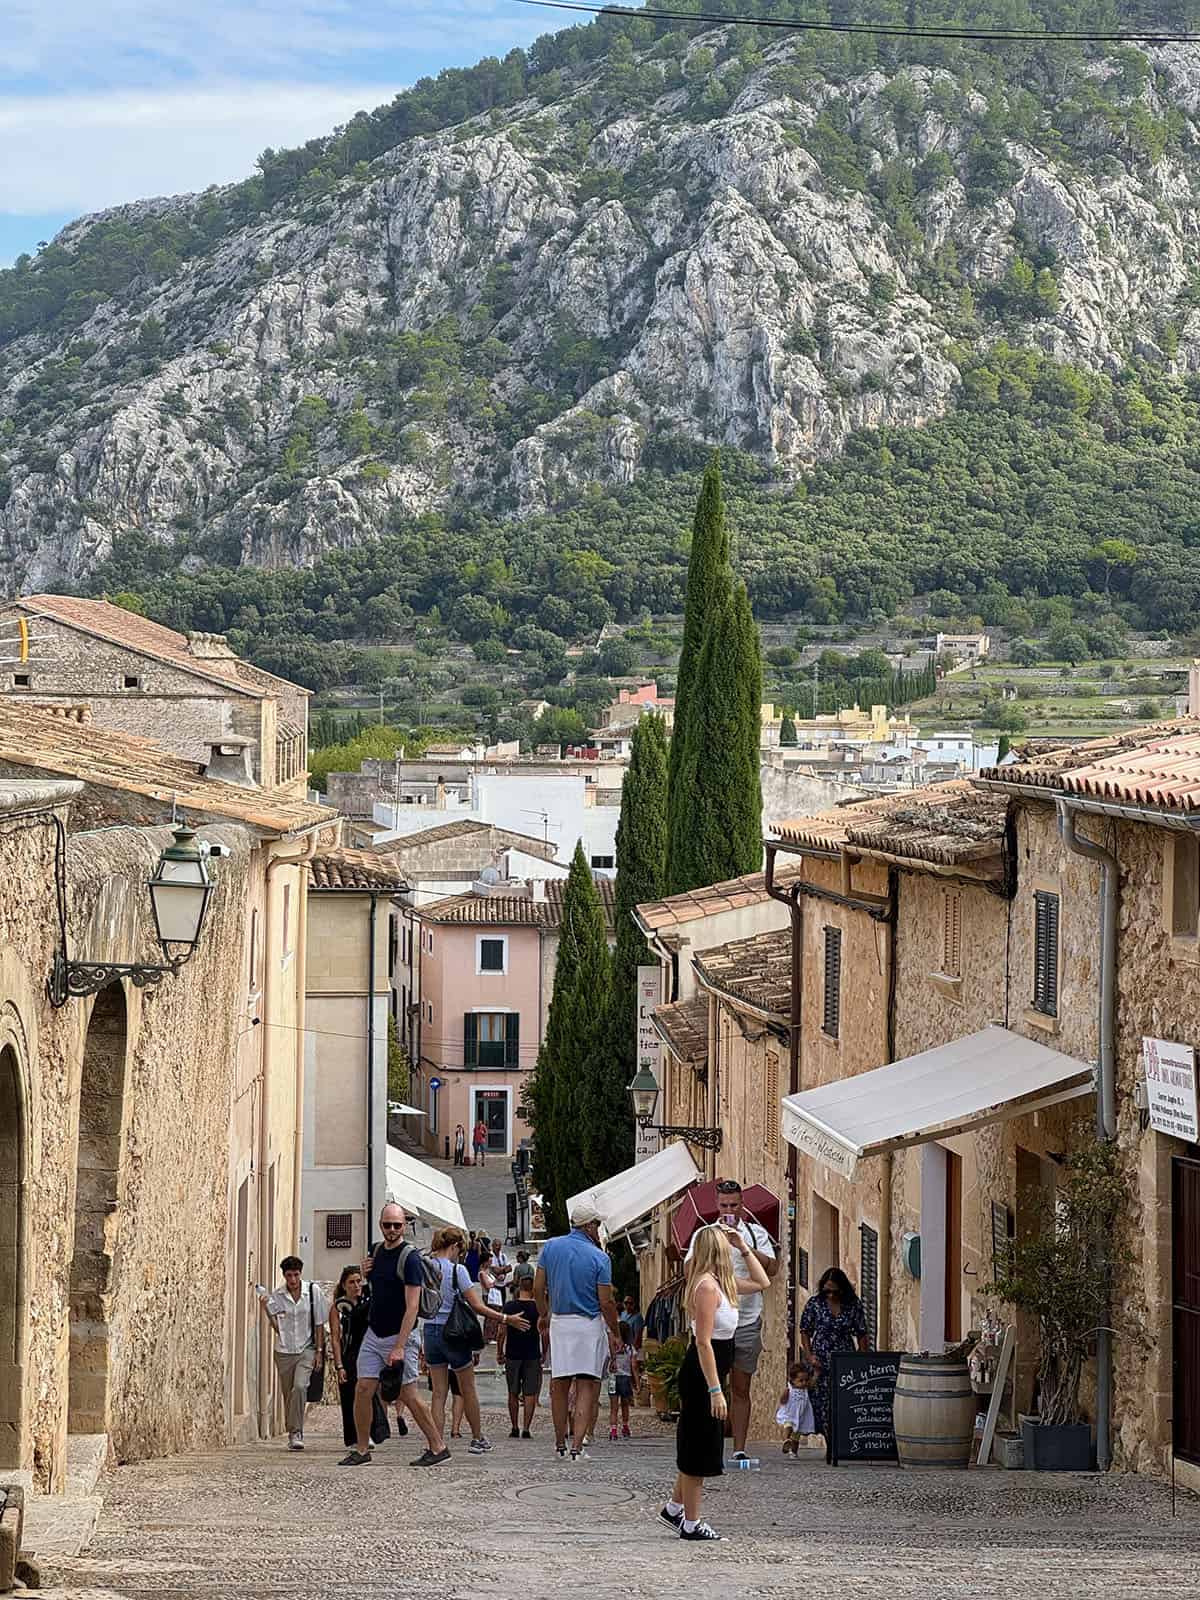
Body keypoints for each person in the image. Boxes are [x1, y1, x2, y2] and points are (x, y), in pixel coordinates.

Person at [660, 1223, 769, 1543]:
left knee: (700, 1445)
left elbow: (762, 1281)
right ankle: (691, 1523)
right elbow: (704, 1343)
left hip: (713, 1370)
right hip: (702, 1375)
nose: (731, 1248)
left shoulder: (724, 1284)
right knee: (699, 1449)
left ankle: (673, 1509)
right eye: (727, 1245)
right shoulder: (706, 1287)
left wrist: (745, 1247)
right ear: (716, 1251)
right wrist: (715, 1390)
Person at [338, 1203, 446, 1468]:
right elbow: (375, 1291)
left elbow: (412, 1307)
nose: (392, 1230)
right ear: (380, 1224)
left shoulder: (409, 1258)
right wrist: (364, 1274)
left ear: (404, 1225)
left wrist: (399, 1346)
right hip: (375, 1333)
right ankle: (362, 1449)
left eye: (397, 1225)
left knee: (408, 1394)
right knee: (362, 1389)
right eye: (387, 1225)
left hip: (401, 1335)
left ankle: (438, 1446)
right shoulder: (375, 1251)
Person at [687, 1178, 778, 1464]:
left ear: (742, 1205)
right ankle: (706, 1443)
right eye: (724, 1205)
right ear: (716, 1205)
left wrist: (742, 1246)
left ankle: (739, 1448)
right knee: (709, 1386)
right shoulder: (705, 1233)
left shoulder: (755, 1233)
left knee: (740, 1388)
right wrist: (712, 1249)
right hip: (714, 1322)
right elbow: (690, 1269)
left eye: (734, 1205)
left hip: (747, 1320)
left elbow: (772, 1270)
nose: (729, 1210)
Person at [424, 1225, 528, 1455]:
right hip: (454, 1333)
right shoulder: (457, 1271)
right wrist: (505, 1318)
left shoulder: (426, 1267)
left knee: (439, 1392)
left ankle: (436, 1443)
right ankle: (477, 1438)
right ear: (455, 1246)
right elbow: (477, 1306)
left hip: (430, 1331)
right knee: (467, 1388)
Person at [534, 1200, 621, 1462]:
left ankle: (559, 1443)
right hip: (588, 1325)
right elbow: (605, 1301)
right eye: (597, 1225)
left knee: (559, 1385)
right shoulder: (600, 1257)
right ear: (590, 1226)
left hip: (560, 1321)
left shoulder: (551, 1247)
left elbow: (539, 1289)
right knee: (586, 1386)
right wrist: (615, 1331)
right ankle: (576, 1447)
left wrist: (544, 1315)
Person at [258, 1255, 327, 1451]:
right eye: (289, 1276)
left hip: (306, 1349)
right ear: (284, 1275)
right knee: (288, 1393)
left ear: (300, 1273)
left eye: (296, 1275)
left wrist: (319, 1352)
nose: (293, 1280)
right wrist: (266, 1310)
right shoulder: (278, 1296)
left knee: (299, 1387)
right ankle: (292, 1431)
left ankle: (296, 1431)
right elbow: (278, 1326)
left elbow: (319, 1324)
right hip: (284, 1351)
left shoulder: (313, 1292)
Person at [799, 1267, 870, 1446]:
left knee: (843, 1399)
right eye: (827, 1291)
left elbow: (862, 1332)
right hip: (820, 1360)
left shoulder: (853, 1304)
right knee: (821, 1401)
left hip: (845, 1358)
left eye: (834, 1291)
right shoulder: (815, 1303)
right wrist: (809, 1355)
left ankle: (840, 1442)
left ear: (842, 1289)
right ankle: (830, 1442)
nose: (830, 1295)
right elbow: (805, 1330)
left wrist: (862, 1359)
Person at [329, 1265, 391, 1450]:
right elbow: (335, 1338)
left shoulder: (369, 1303)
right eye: (351, 1282)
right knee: (350, 1397)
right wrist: (339, 1365)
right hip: (349, 1354)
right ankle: (355, 1437)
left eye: (358, 1281)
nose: (356, 1286)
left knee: (370, 1394)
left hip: (369, 1351)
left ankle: (371, 1432)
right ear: (344, 1285)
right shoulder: (338, 1308)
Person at [497, 1272, 543, 1438]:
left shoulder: (509, 1307)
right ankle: (526, 1428)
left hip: (513, 1353)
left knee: (513, 1392)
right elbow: (543, 1331)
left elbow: (501, 1332)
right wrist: (544, 1351)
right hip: (532, 1354)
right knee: (530, 1393)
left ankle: (514, 1426)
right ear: (532, 1289)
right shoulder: (538, 1308)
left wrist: (499, 1351)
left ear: (519, 1288)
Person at [776, 1357, 818, 1456]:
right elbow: (782, 1401)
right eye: (801, 1380)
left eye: (806, 1380)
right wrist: (784, 1396)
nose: (804, 1383)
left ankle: (793, 1452)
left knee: (796, 1437)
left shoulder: (805, 1389)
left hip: (800, 1417)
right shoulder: (789, 1390)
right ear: (793, 1380)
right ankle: (786, 1440)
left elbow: (813, 1382)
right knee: (788, 1427)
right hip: (789, 1415)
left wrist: (816, 1373)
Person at [607, 1320, 639, 1440]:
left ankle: (613, 1430)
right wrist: (637, 1383)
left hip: (612, 1379)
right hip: (625, 1379)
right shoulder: (630, 1349)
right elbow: (634, 1367)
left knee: (613, 1407)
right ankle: (625, 1426)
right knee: (625, 1405)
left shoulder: (612, 1349)